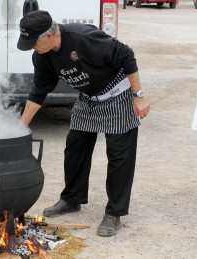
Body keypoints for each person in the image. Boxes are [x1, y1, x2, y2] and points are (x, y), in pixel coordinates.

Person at [17, 10, 150, 237]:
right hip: (88, 98)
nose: (31, 47)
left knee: (119, 155)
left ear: (49, 35)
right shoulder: (42, 56)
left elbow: (126, 55)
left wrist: (138, 95)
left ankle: (114, 213)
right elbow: (39, 92)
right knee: (75, 147)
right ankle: (72, 199)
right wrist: (19, 128)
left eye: (33, 42)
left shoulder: (84, 38)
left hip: (118, 94)